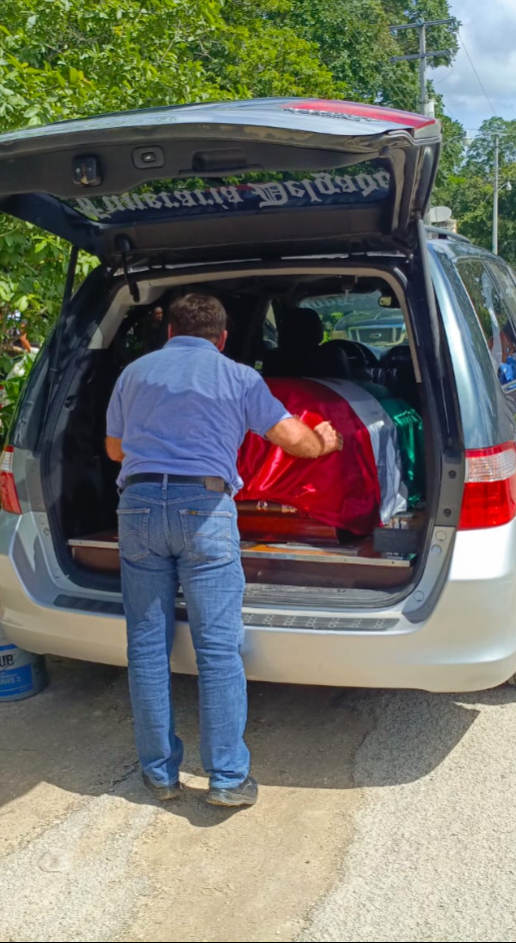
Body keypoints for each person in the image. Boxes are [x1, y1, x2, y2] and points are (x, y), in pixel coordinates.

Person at [104, 291, 343, 808]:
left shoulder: (134, 375)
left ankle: (160, 775)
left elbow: (115, 450)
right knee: (217, 648)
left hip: (138, 507)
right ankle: (228, 779)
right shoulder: (239, 377)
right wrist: (325, 440)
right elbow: (292, 440)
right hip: (204, 508)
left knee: (147, 646)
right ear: (224, 337)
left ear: (169, 331)